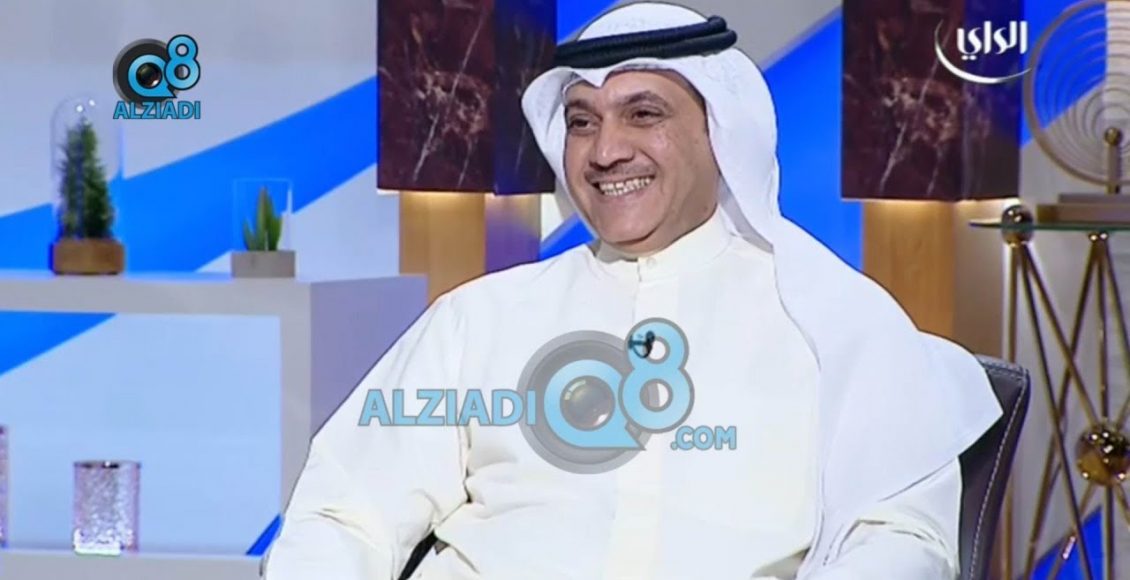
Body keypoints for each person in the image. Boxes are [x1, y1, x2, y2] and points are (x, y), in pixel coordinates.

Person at [262, 3, 1002, 579]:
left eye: (644, 114)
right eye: (582, 123)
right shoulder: (478, 318)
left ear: (720, 131)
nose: (606, 151)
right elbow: (343, 513)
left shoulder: (835, 322)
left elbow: (900, 542)